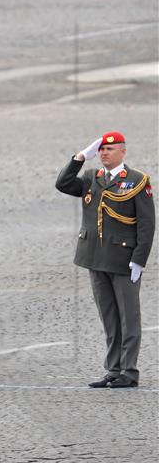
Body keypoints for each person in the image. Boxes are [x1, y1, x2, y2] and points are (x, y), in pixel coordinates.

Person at [56, 132, 154, 388]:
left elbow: (146, 225)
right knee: (109, 317)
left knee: (128, 318)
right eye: (101, 150)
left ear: (123, 151)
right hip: (95, 257)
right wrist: (79, 158)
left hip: (123, 260)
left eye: (110, 149)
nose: (104, 153)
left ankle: (129, 371)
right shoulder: (92, 178)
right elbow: (63, 184)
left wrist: (139, 260)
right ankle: (113, 369)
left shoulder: (137, 181)